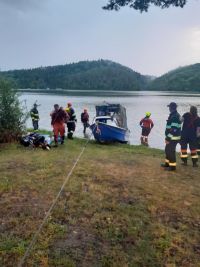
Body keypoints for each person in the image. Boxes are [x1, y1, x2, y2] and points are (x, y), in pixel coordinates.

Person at [161, 102, 181, 171]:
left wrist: (168, 138)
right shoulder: (173, 115)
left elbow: (174, 129)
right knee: (167, 150)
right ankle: (167, 164)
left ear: (171, 108)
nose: (169, 108)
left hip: (173, 138)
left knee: (170, 151)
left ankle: (172, 167)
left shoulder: (175, 116)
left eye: (169, 107)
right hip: (171, 137)